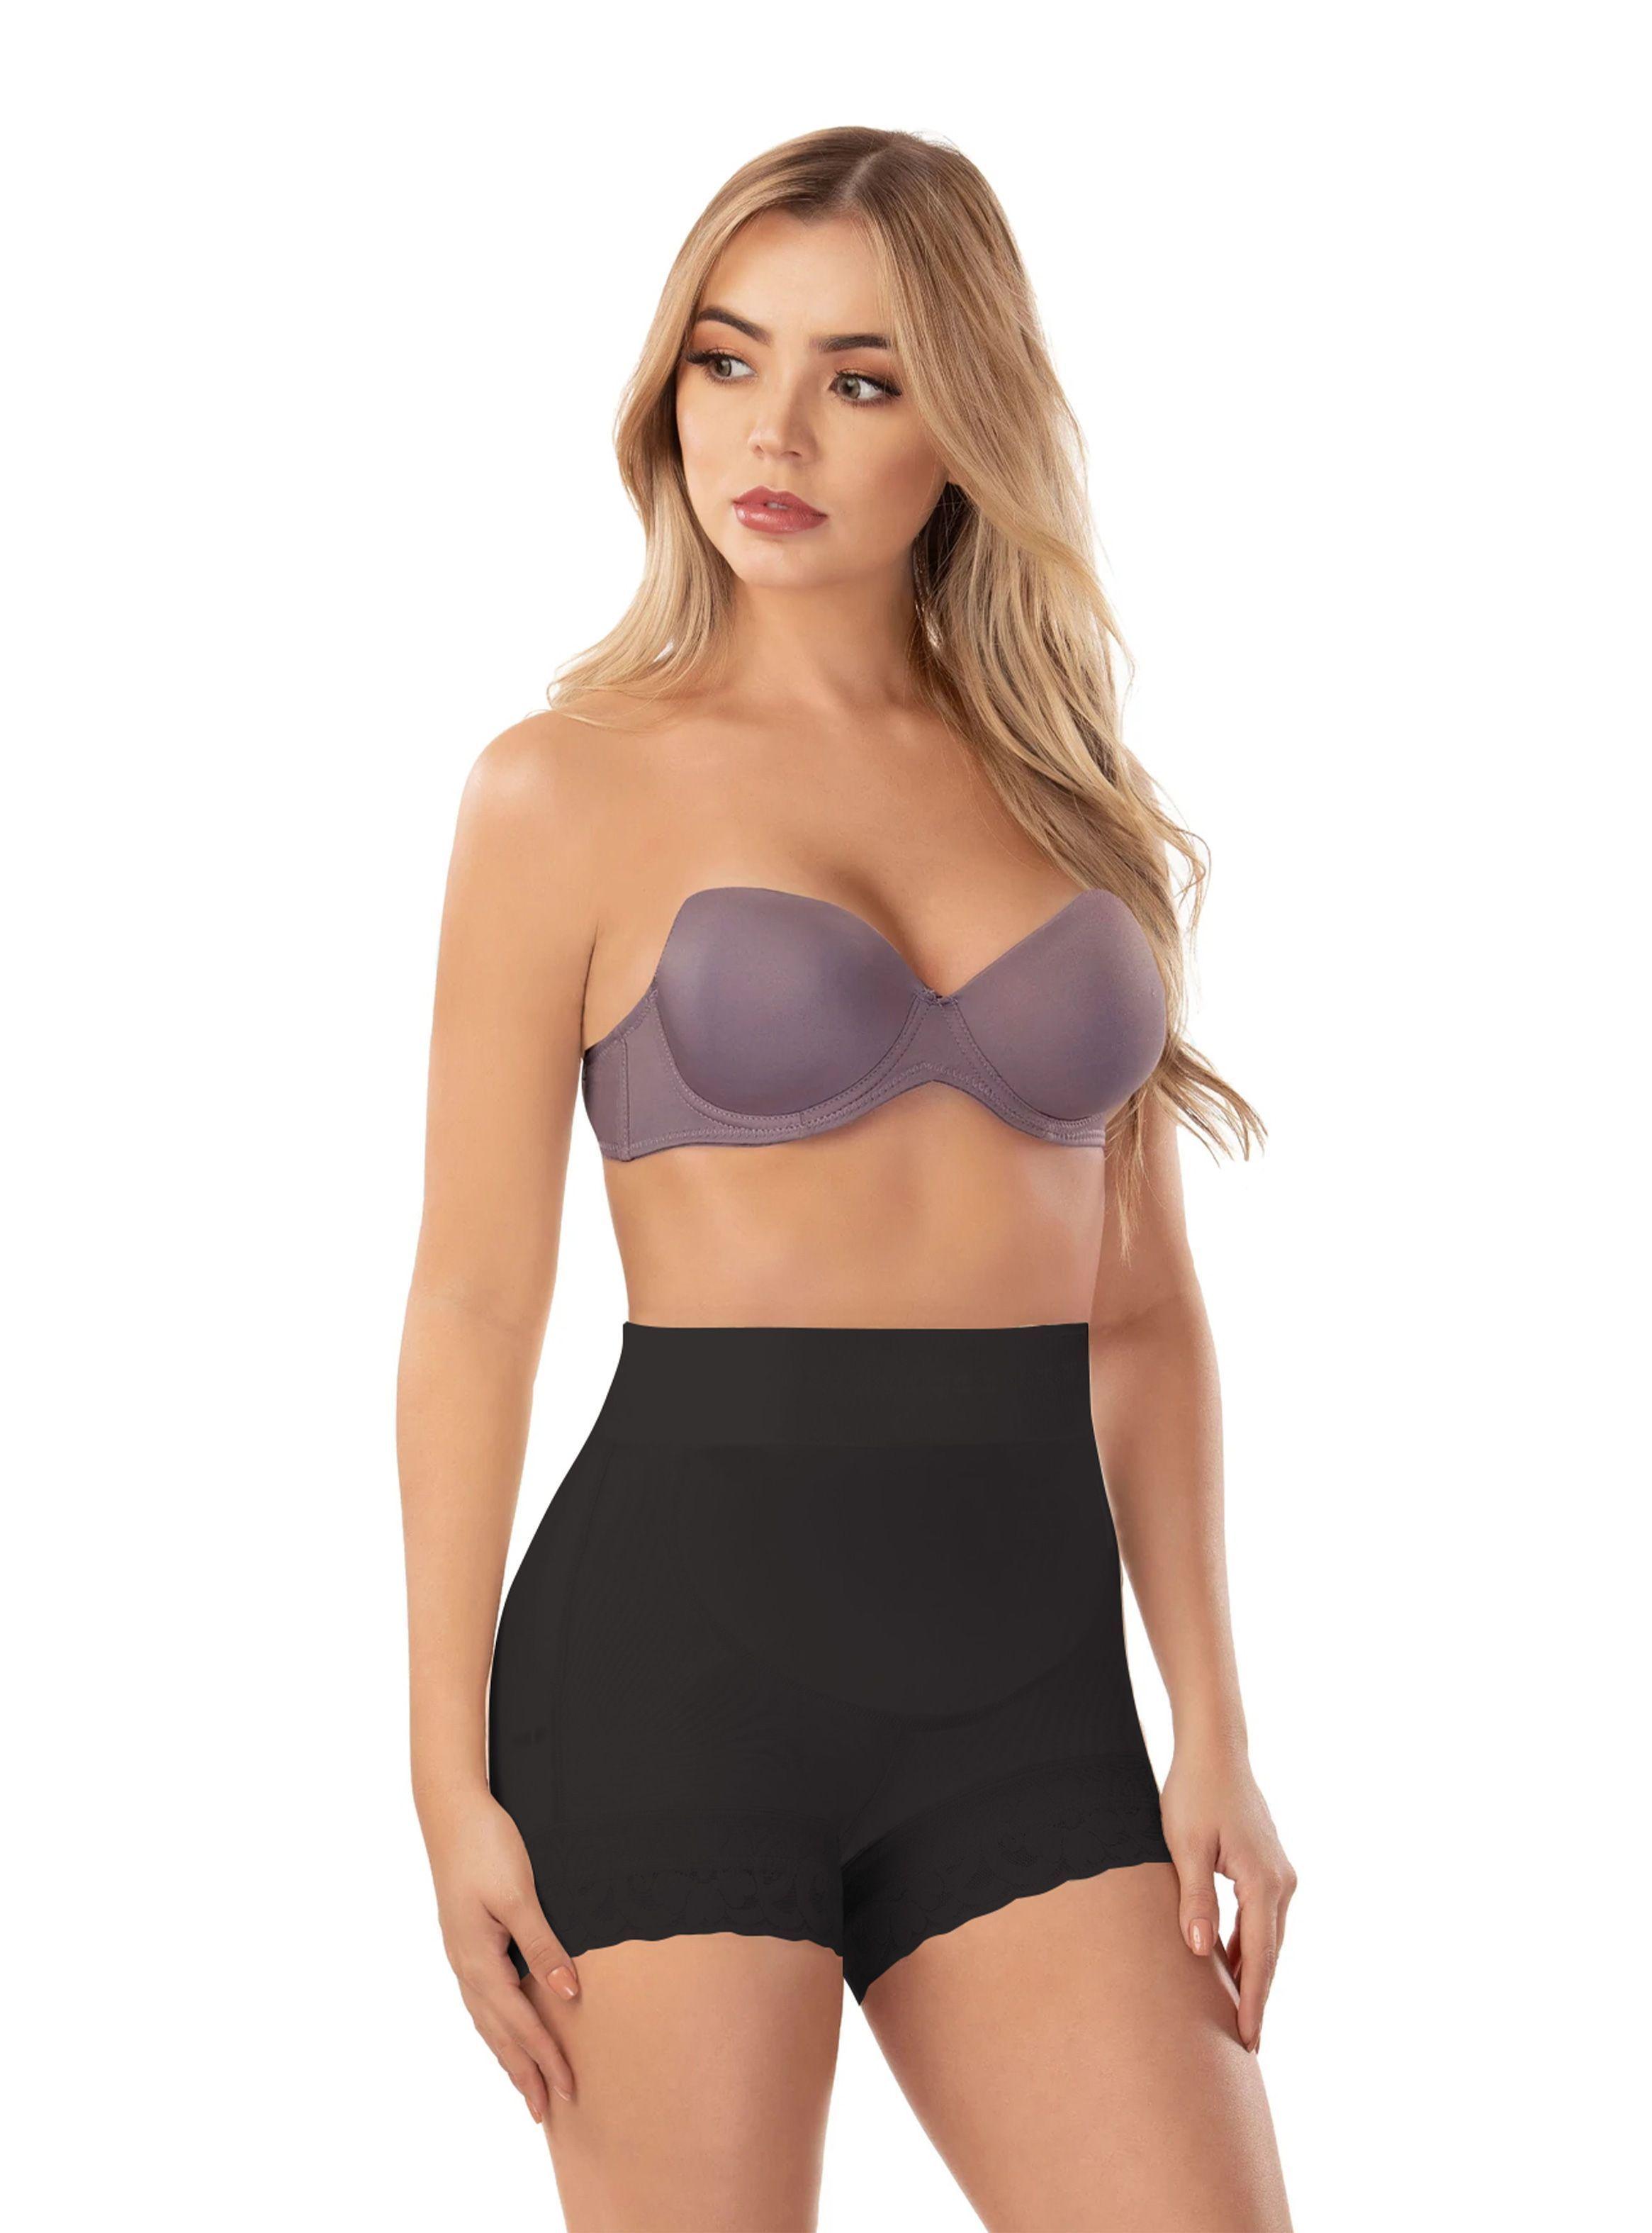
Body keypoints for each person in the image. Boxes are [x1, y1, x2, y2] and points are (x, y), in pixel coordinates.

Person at [397, 124, 1296, 2232]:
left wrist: (1212, 1726)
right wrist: (442, 1772)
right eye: (728, 360)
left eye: (859, 378)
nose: (772, 433)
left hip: (1031, 1698)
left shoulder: (1073, 802)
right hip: (670, 1681)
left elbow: (1143, 1314)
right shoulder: (562, 790)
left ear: (964, 423)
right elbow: (474, 1306)